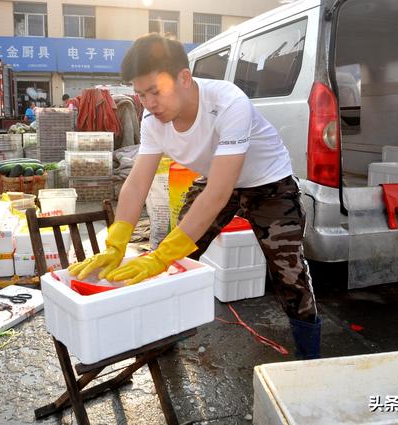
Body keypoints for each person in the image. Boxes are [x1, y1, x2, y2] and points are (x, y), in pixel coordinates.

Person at [68, 34, 321, 359]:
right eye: (141, 94)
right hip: (215, 179)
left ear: (184, 78)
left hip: (269, 184)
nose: (149, 103)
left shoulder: (228, 103)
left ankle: (310, 356)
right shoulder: (153, 121)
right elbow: (137, 182)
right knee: (175, 256)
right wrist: (117, 241)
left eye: (156, 91)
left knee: (289, 273)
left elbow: (219, 192)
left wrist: (163, 256)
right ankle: (163, 336)